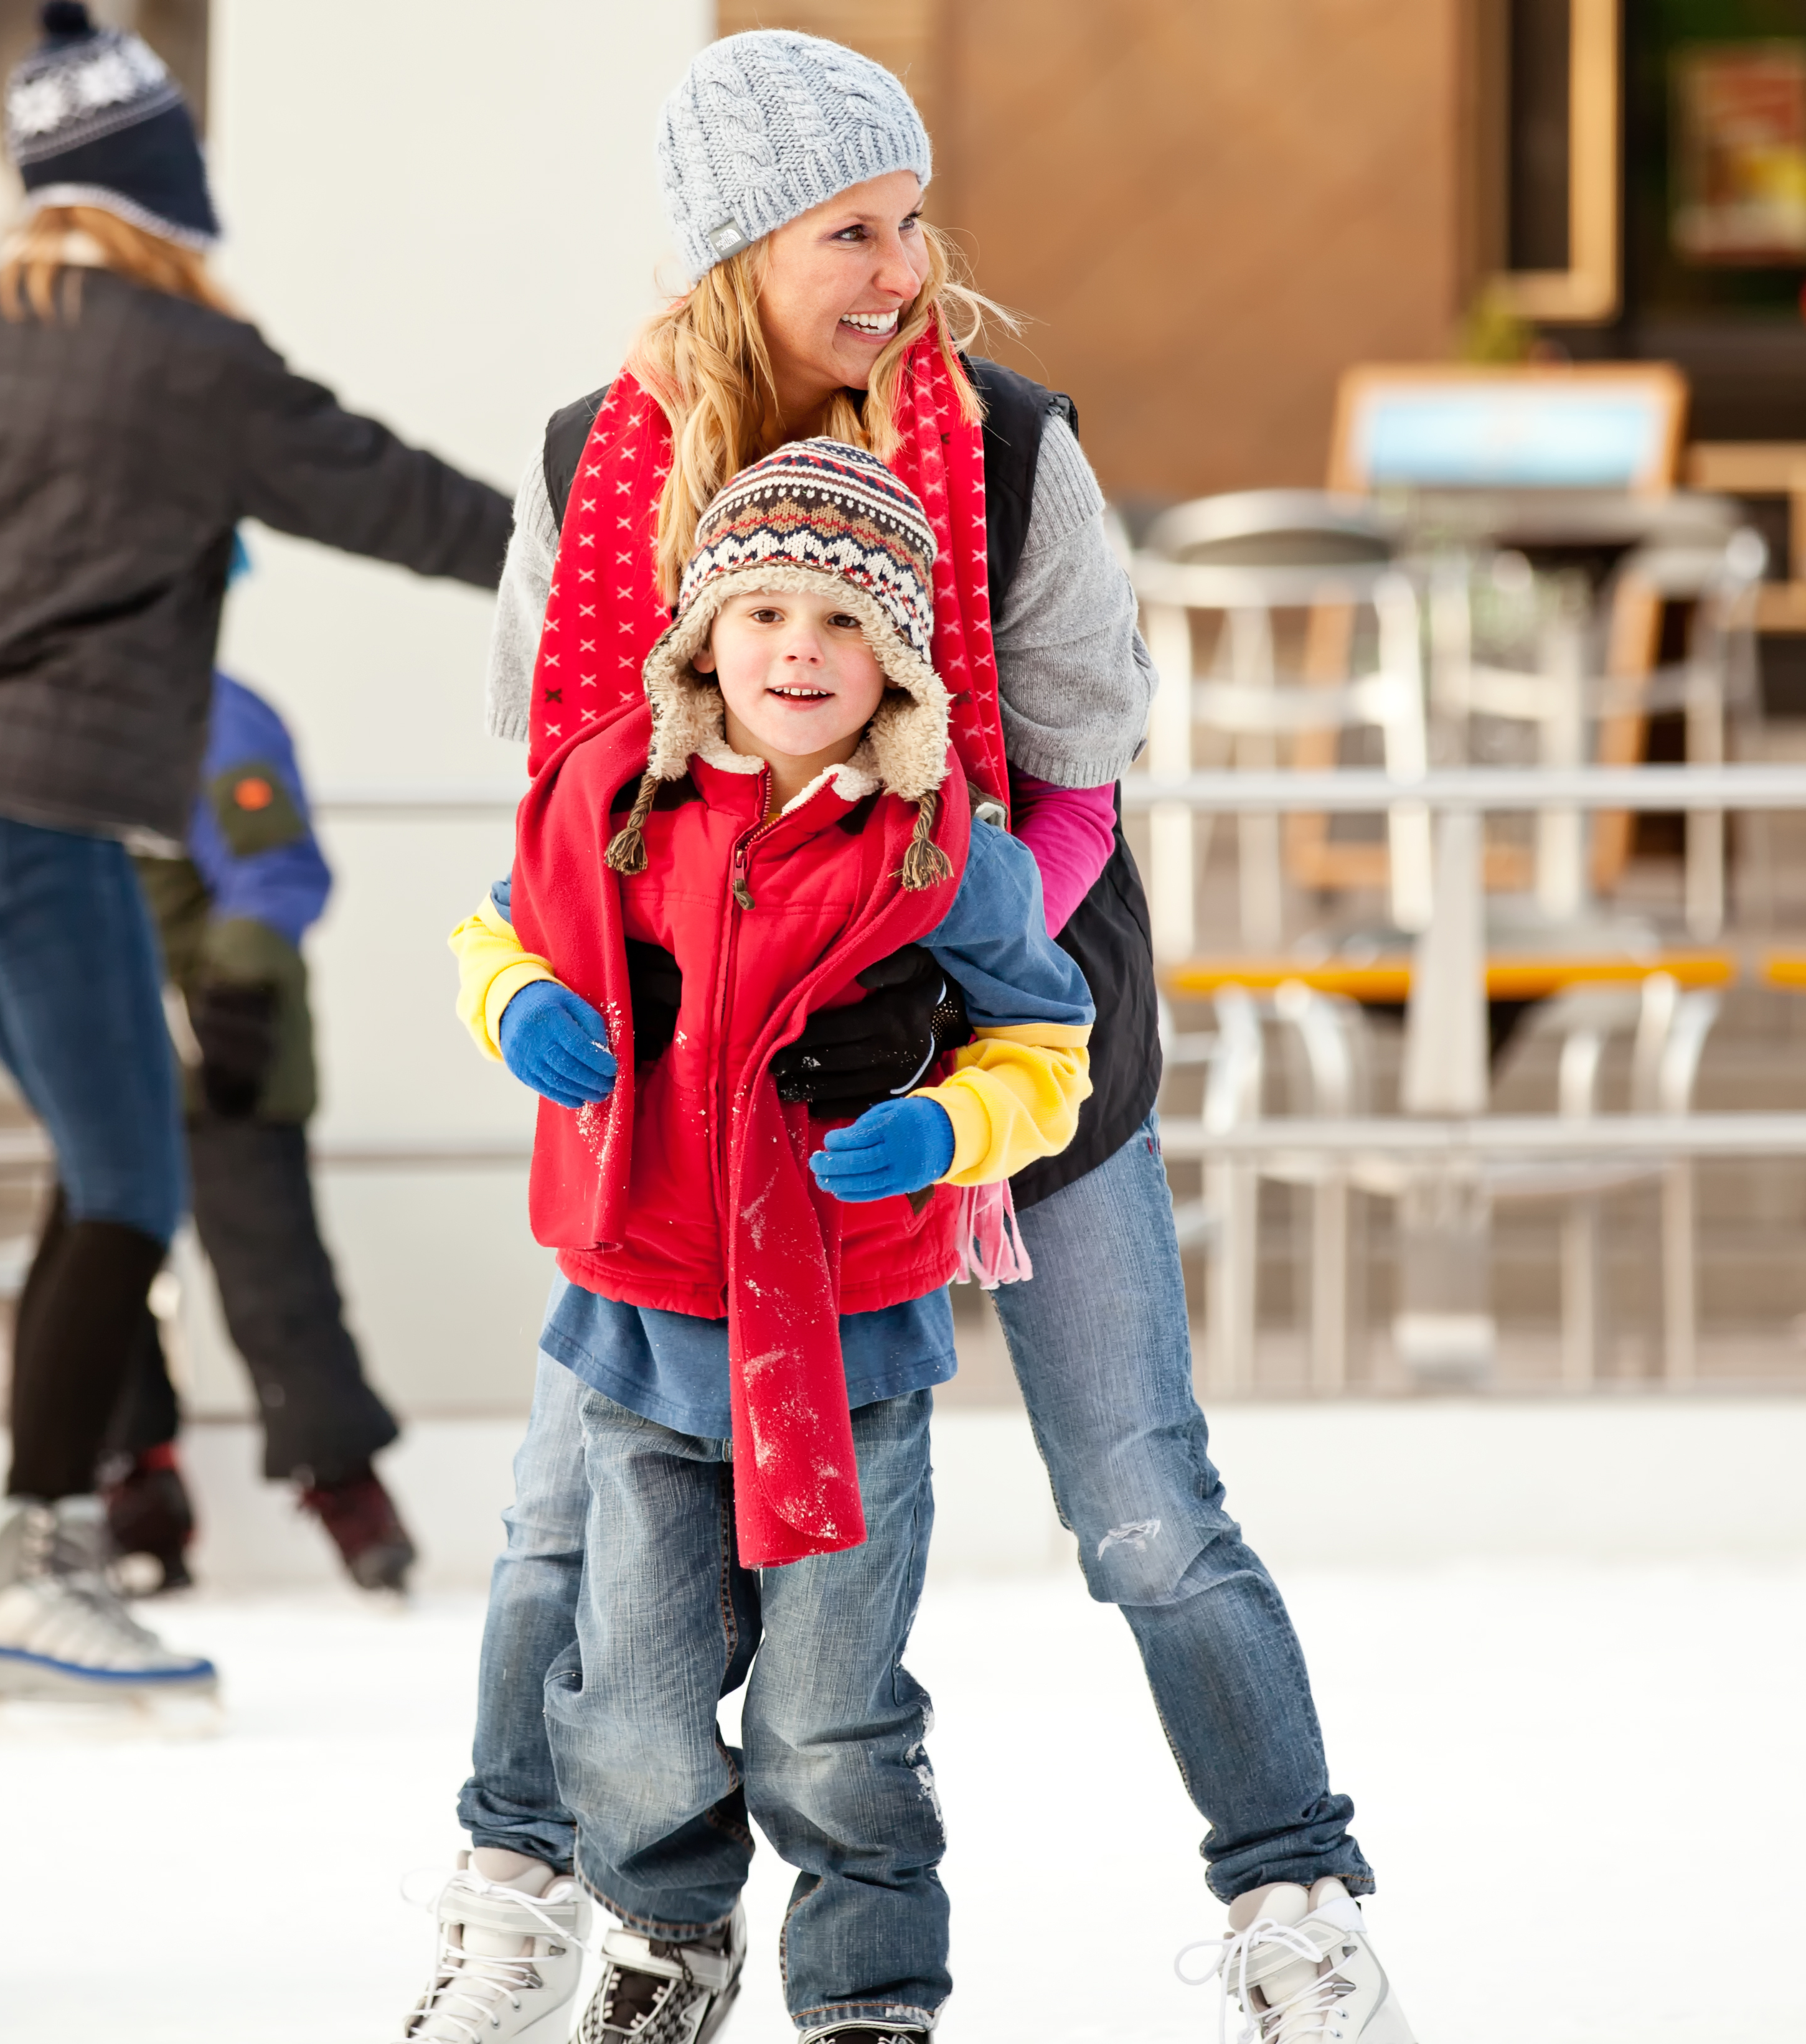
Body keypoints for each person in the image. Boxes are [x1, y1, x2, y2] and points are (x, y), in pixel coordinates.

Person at [409, 32, 1413, 2044]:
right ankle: (520, 1888)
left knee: (1141, 1504)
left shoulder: (1011, 448)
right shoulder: (581, 461)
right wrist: (595, 995)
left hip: (1012, 1030)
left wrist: (936, 987)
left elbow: (1087, 762)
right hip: (707, 1081)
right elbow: (548, 778)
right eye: (846, 229)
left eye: (905, 217)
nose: (900, 263)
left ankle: (1296, 1898)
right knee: (562, 1509)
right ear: (732, 254)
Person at [0, 2, 510, 1700]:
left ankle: (49, 1538)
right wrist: (583, 558)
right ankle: (31, 1555)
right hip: (52, 820)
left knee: (103, 1173)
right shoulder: (189, 360)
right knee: (135, 1183)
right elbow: (393, 496)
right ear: (170, 184)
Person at [431, 436, 1094, 2043]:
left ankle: (869, 1988)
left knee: (827, 1716)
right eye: (766, 609)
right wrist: (517, 1002)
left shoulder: (942, 850)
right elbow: (494, 925)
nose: (801, 646)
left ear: (899, 662)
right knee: (639, 1697)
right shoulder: (615, 802)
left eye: (845, 621)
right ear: (701, 637)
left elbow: (1050, 1046)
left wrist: (952, 1120)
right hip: (644, 1322)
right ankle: (665, 1930)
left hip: (851, 1339)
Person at [98, 667, 418, 1596]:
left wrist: (234, 993)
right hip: (105, 1049)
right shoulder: (63, 704)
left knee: (274, 1280)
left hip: (228, 1052)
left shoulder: (209, 710)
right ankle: (137, 1489)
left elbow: (277, 867)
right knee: (100, 1280)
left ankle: (348, 1488)